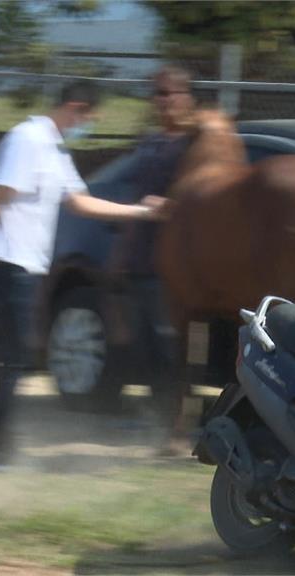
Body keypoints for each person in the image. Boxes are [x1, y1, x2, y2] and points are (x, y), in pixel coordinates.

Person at [0, 80, 167, 467]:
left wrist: (141, 212)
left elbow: (79, 202)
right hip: (4, 261)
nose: (89, 126)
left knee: (4, 357)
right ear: (76, 107)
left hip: (26, 265)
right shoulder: (27, 139)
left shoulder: (54, 148)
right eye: (89, 118)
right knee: (3, 356)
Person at [116, 64, 198, 450]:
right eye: (157, 94)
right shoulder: (149, 144)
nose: (163, 101)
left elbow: (205, 193)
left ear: (185, 97)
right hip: (139, 261)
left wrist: (172, 204)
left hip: (174, 265)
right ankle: (157, 421)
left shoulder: (195, 145)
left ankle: (177, 428)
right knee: (145, 347)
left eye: (169, 93)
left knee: (172, 349)